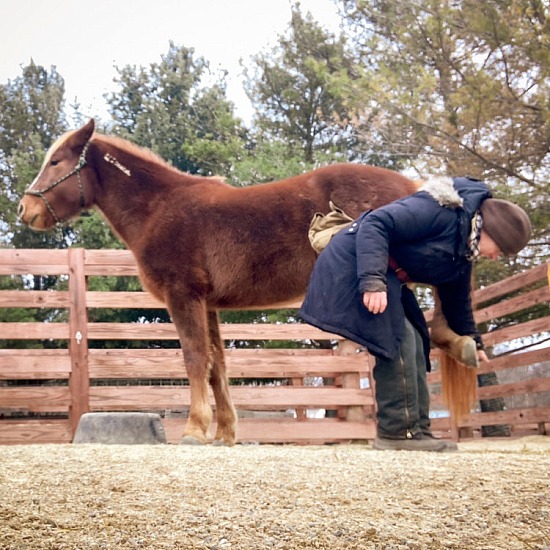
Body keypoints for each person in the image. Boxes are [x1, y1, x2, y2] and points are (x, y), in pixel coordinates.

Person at [299, 176, 531, 452]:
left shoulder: (462, 250)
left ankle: (417, 429)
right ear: (490, 230)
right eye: (501, 250)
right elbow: (375, 224)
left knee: (418, 341)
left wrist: (472, 339)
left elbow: (456, 300)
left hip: (388, 276)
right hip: (355, 263)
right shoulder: (439, 213)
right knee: (399, 339)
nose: (495, 257)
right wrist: (373, 282)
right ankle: (396, 432)